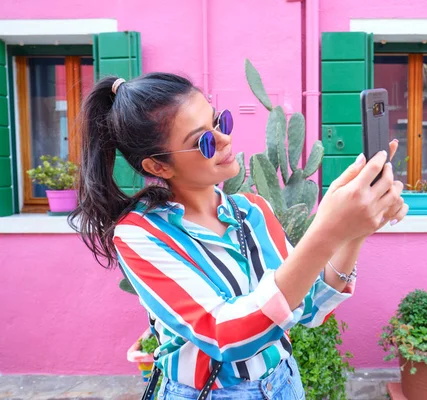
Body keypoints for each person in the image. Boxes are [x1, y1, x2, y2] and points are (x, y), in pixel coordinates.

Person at [71, 73, 408, 400]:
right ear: (160, 167)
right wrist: (327, 229)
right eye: (203, 141)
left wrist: (354, 232)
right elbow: (226, 336)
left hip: (284, 383)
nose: (225, 140)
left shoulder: (252, 210)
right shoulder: (140, 235)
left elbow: (311, 308)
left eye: (221, 122)